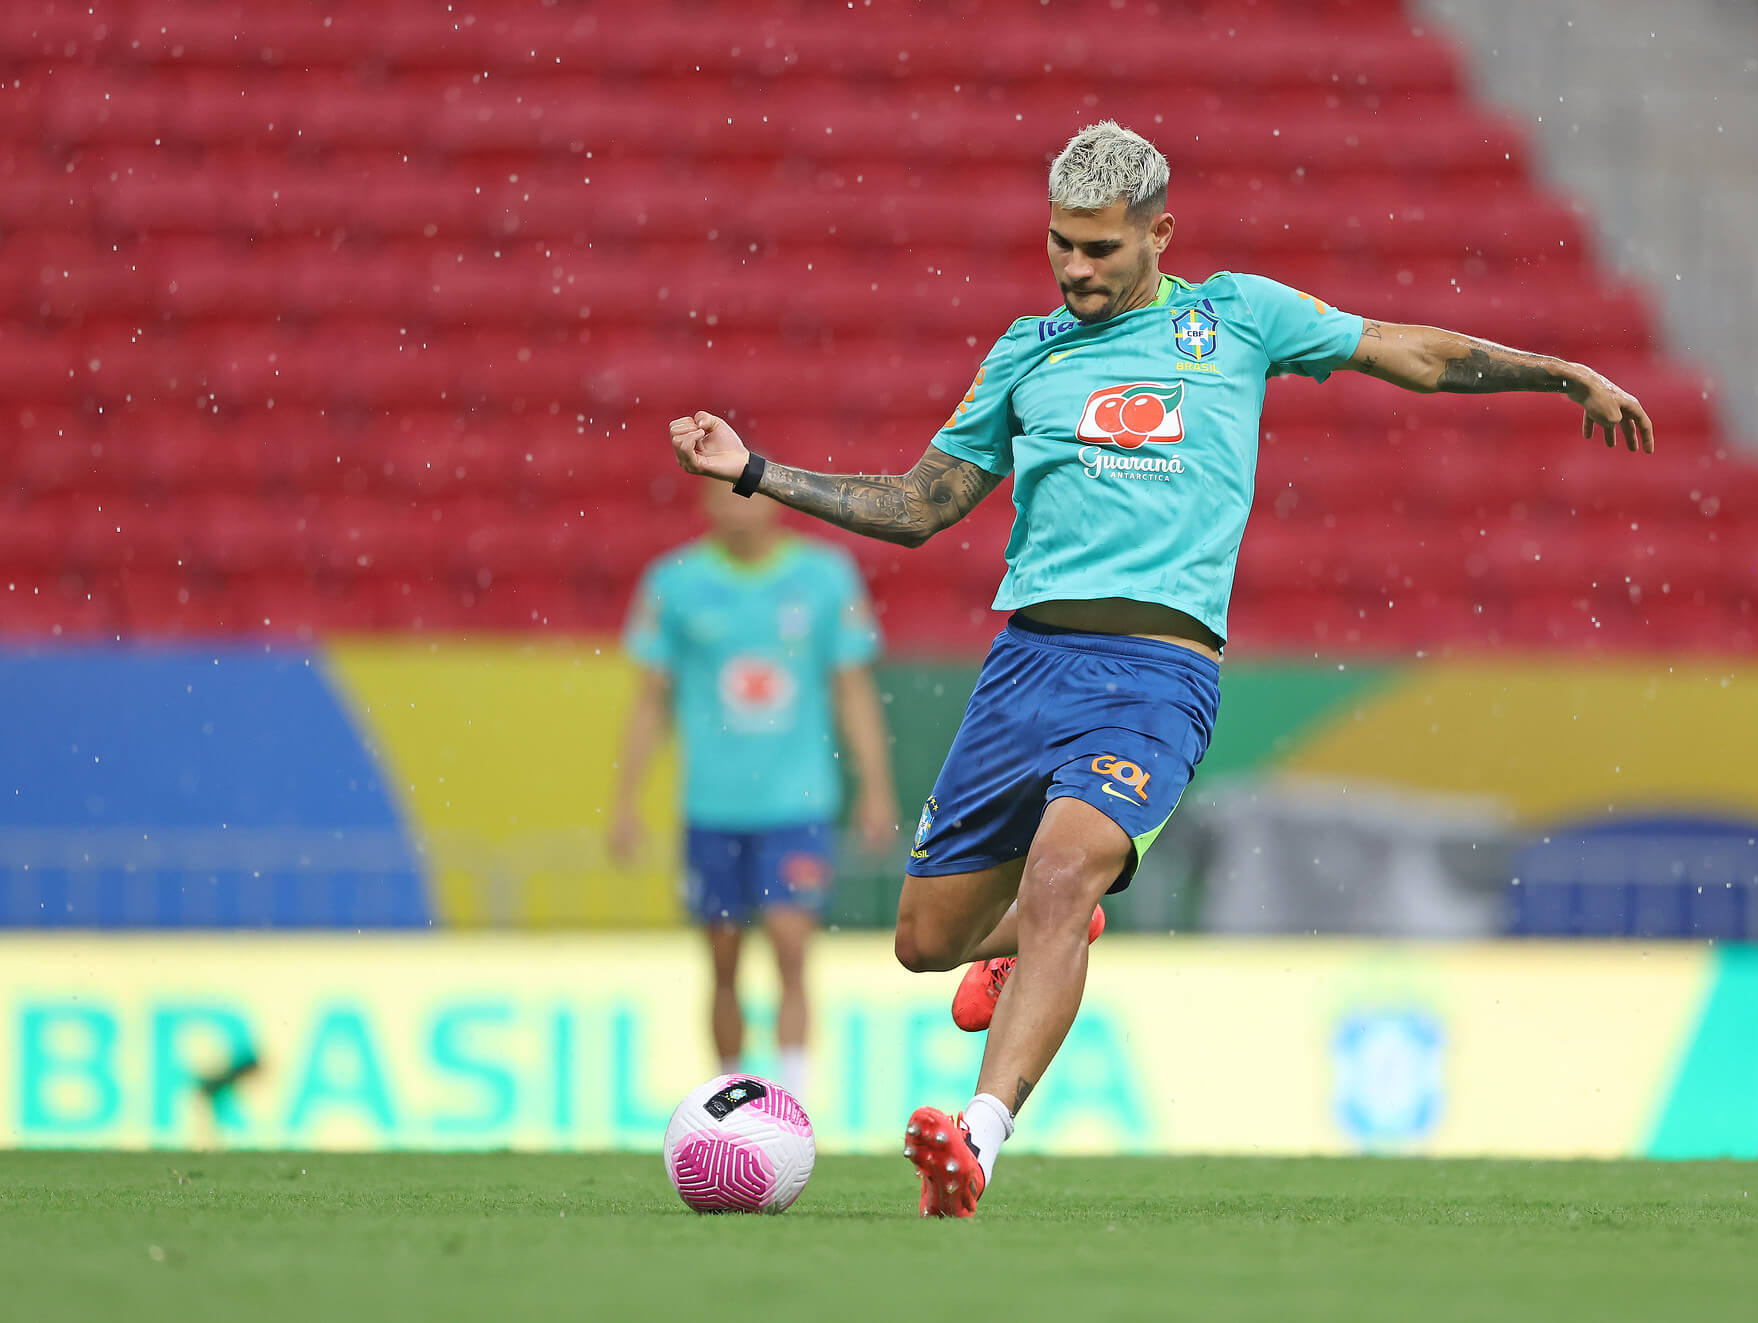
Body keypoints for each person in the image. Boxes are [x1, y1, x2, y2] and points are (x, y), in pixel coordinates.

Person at [666, 121, 1654, 1216]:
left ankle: (975, 1140)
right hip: (1026, 667)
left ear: (1158, 234)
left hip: (1155, 672)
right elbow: (918, 507)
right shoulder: (1024, 353)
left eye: (1100, 248)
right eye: (1061, 246)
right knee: (921, 941)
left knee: (1059, 868)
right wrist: (754, 471)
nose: (1076, 269)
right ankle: (1058, 936)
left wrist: (1556, 374)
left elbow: (1407, 354)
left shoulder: (1233, 316)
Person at [608, 482, 898, 1103]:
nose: (739, 507)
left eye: (748, 493)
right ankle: (729, 1095)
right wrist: (626, 801)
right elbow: (649, 701)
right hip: (713, 805)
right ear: (704, 504)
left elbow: (853, 687)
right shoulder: (674, 584)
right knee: (722, 959)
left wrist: (876, 787)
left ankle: (791, 1097)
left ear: (772, 500)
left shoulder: (825, 577)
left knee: (792, 945)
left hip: (797, 803)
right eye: (724, 496)